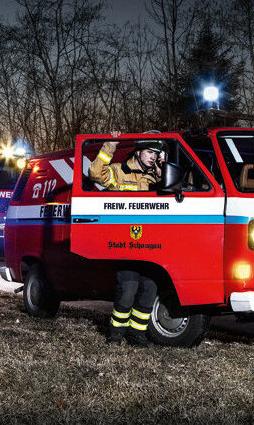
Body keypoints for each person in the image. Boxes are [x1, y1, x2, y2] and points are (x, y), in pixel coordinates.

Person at [87, 131, 164, 347]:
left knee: (149, 290)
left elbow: (175, 190)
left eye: (156, 153)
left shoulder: (155, 177)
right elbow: (94, 173)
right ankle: (115, 335)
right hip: (126, 244)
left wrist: (162, 169)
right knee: (127, 290)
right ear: (138, 151)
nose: (152, 157)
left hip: (151, 246)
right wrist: (109, 146)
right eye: (150, 152)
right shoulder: (119, 172)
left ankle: (136, 335)